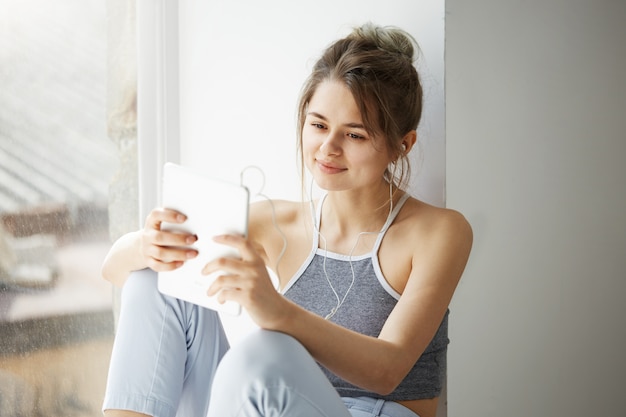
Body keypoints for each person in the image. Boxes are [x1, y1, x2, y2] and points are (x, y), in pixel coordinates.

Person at [101, 22, 472, 417]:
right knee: (154, 279)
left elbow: (387, 371)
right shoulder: (279, 223)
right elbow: (114, 270)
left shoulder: (438, 232)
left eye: (355, 135)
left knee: (264, 354)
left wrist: (275, 310)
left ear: (403, 145)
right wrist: (148, 245)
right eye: (318, 125)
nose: (327, 148)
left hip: (376, 411)